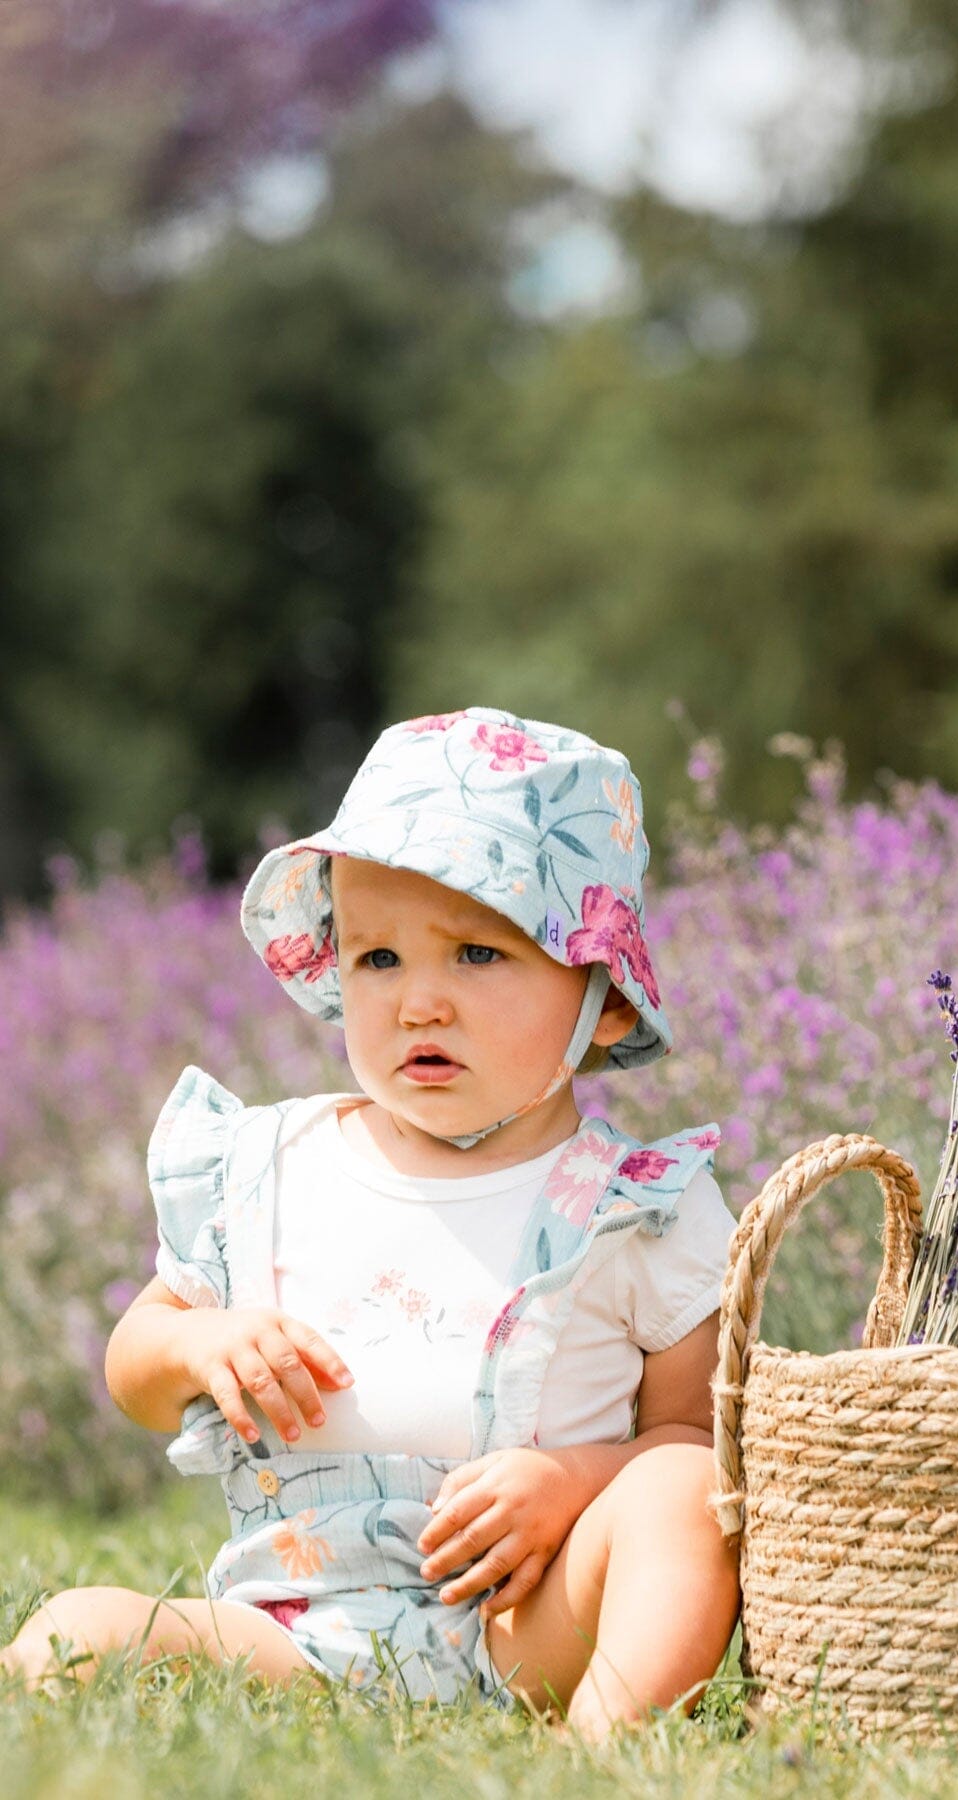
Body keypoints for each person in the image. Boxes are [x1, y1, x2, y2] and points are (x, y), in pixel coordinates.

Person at [1, 709, 741, 1736]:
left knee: (686, 1494)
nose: (419, 1002)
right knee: (79, 1627)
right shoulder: (272, 1167)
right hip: (297, 1628)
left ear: (603, 1001)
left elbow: (696, 1436)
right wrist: (197, 1341)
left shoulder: (637, 1208)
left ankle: (606, 1743)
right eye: (379, 958)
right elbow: (136, 1365)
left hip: (528, 1622)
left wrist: (572, 1481)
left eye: (478, 956)